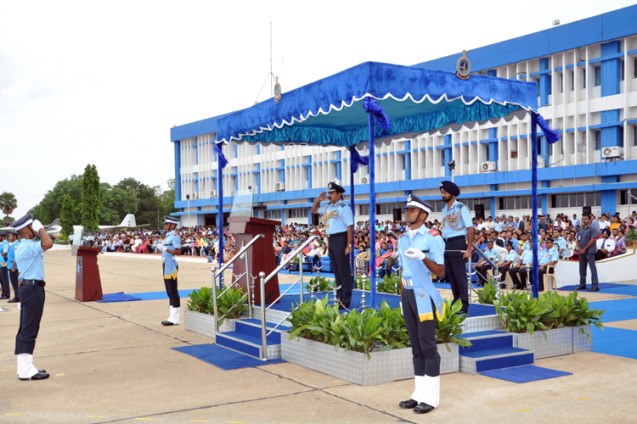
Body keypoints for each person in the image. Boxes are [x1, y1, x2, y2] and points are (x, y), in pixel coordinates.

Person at [396, 194, 446, 414]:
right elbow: (401, 272)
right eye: (407, 210)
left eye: (412, 210)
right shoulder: (402, 239)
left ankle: (432, 398)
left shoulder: (433, 238)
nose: (407, 213)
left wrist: (422, 258)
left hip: (424, 295)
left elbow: (441, 271)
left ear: (423, 214)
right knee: (416, 348)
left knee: (428, 347)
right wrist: (401, 298)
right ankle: (418, 394)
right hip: (408, 294)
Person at [11, 213, 53, 381]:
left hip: (28, 288)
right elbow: (48, 243)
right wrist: (41, 228)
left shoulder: (22, 246)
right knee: (30, 329)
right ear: (27, 229)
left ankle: (24, 367)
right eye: (33, 227)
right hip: (33, 289)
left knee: (25, 328)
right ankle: (26, 369)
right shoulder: (28, 246)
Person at [312, 182, 354, 309]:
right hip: (331, 240)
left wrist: (349, 245)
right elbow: (314, 211)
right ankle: (339, 298)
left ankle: (345, 300)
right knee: (336, 271)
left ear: (339, 193)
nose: (329, 195)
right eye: (328, 193)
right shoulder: (328, 208)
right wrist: (317, 200)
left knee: (344, 271)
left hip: (341, 239)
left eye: (331, 193)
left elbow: (350, 227)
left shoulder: (344, 208)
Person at [440, 180, 474, 314]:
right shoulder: (444, 209)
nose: (442, 194)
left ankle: (464, 305)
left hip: (458, 242)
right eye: (442, 192)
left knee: (460, 276)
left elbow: (470, 228)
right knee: (452, 276)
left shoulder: (461, 208)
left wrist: (469, 248)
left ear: (452, 194)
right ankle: (456, 302)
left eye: (445, 192)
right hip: (447, 243)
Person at [161, 216, 182, 326]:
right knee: (169, 292)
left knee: (173, 292)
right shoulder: (168, 236)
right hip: (166, 264)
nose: (165, 226)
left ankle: (176, 318)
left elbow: (178, 251)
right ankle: (171, 317)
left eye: (167, 224)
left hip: (172, 266)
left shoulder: (175, 236)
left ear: (173, 225)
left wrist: (166, 249)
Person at [577, 213, 600, 291]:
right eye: (583, 219)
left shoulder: (593, 228)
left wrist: (585, 248)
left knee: (592, 268)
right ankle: (582, 284)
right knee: (582, 268)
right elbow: (577, 240)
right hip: (581, 251)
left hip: (590, 251)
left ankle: (595, 285)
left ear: (590, 220)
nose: (584, 220)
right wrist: (580, 249)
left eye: (586, 219)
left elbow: (593, 240)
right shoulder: (580, 229)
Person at [6, 231, 21, 303]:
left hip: (14, 268)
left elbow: (16, 256)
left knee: (15, 283)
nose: (9, 237)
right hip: (11, 266)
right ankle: (17, 297)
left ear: (14, 236)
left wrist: (13, 267)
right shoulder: (13, 245)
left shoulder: (16, 245)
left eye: (10, 236)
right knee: (14, 283)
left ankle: (17, 297)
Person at [0, 233, 10, 299]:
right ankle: (3, 293)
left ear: (2, 237)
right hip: (1, 264)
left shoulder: (5, 243)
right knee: (1, 280)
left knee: (4, 280)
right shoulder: (2, 243)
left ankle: (6, 294)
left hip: (4, 264)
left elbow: (5, 253)